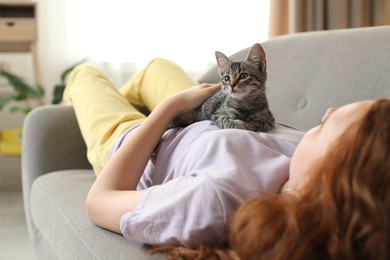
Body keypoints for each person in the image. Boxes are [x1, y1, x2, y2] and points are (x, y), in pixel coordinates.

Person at [64, 58, 390, 259]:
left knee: (85, 74)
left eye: (325, 125)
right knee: (156, 67)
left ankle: (93, 105)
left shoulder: (217, 198)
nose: (327, 111)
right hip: (210, 110)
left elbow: (100, 201)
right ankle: (132, 92)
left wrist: (167, 110)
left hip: (143, 140)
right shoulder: (303, 155)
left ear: (328, 176)